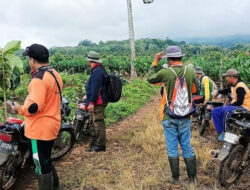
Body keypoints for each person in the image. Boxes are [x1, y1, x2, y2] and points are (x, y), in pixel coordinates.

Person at [11, 44, 62, 190]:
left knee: (39, 163)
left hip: (39, 130)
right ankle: (55, 185)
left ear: (32, 60)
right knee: (45, 159)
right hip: (52, 124)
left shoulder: (38, 79)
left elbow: (34, 107)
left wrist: (18, 108)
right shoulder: (54, 74)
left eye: (28, 59)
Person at [147, 46, 197, 188]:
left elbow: (150, 78)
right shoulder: (191, 71)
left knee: (172, 147)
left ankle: (175, 179)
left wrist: (155, 61)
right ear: (181, 57)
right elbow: (194, 90)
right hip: (186, 115)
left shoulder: (165, 72)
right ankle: (193, 179)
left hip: (169, 115)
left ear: (169, 59)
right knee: (187, 146)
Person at [212, 69, 250, 141]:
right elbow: (227, 90)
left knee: (226, 111)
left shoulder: (240, 86)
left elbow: (240, 102)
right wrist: (218, 92)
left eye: (227, 77)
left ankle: (225, 132)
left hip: (245, 107)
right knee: (215, 111)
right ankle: (220, 131)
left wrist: (229, 106)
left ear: (232, 77)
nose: (226, 79)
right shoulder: (234, 85)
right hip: (238, 105)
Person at [85, 51, 108, 152]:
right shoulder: (98, 69)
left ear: (90, 61)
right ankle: (96, 141)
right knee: (95, 122)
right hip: (97, 100)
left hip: (98, 101)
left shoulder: (97, 71)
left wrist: (91, 102)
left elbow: (96, 88)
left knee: (98, 122)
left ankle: (101, 145)